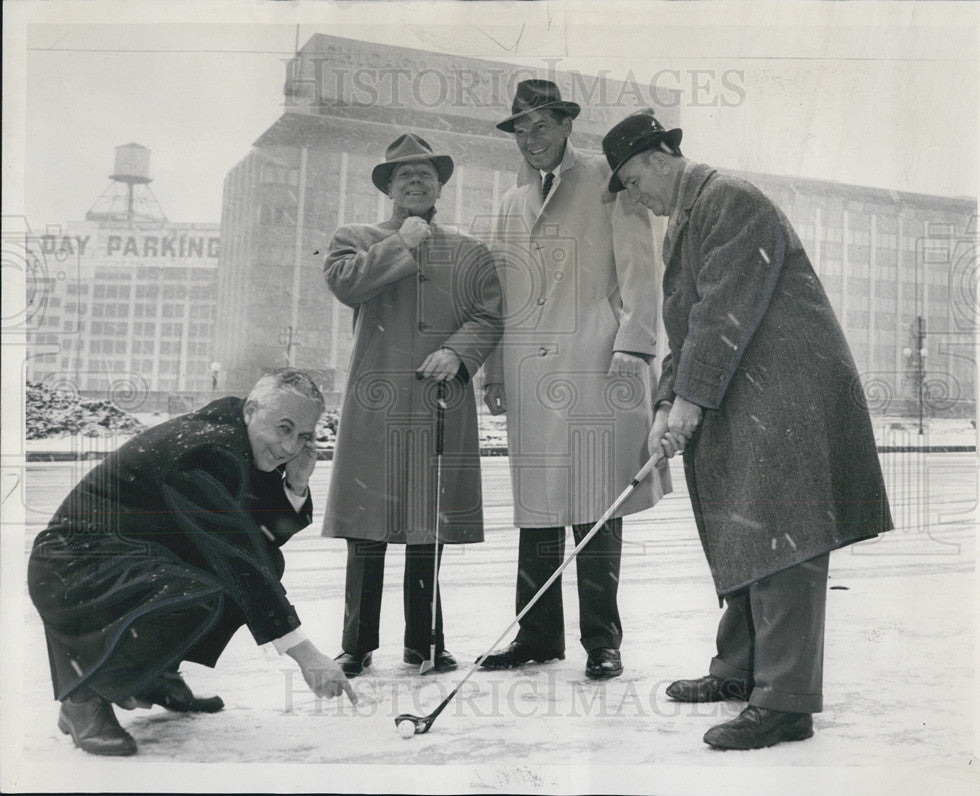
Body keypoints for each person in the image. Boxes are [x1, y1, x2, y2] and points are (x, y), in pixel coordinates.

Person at [601, 113, 894, 749]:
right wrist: (665, 404)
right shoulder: (689, 216)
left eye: (631, 180)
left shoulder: (728, 200)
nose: (634, 196)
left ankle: (785, 701)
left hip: (787, 391)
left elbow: (724, 311)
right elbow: (690, 322)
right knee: (746, 524)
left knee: (783, 534)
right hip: (747, 387)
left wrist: (689, 401)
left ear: (658, 158)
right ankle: (740, 673)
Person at [27, 369, 356, 757]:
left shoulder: (241, 439)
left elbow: (261, 539)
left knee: (262, 566)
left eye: (302, 436)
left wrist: (296, 485)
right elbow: (238, 555)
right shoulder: (209, 450)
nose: (289, 447)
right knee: (202, 591)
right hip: (73, 562)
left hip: (125, 552)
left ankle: (154, 676)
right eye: (284, 428)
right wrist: (307, 655)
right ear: (251, 410)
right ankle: (83, 697)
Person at [479, 80, 669, 681]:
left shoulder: (609, 181)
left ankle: (601, 641)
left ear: (565, 126)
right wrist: (493, 370)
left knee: (594, 503)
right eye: (521, 130)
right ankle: (536, 637)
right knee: (537, 505)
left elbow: (643, 269)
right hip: (532, 375)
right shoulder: (512, 205)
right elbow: (503, 295)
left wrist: (635, 346)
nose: (531, 140)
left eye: (542, 126)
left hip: (595, 364)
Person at [321, 133, 503, 677]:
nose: (416, 181)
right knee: (368, 527)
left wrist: (457, 351)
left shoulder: (470, 250)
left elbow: (490, 315)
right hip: (375, 403)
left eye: (425, 173)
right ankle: (356, 645)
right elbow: (346, 285)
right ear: (389, 188)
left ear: (440, 184)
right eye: (404, 176)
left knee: (428, 527)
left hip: (439, 401)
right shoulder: (354, 238)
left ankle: (424, 644)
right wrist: (403, 242)